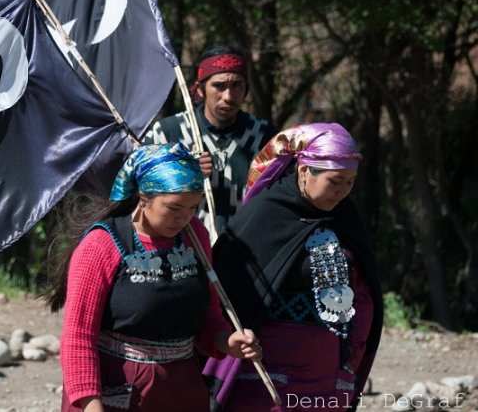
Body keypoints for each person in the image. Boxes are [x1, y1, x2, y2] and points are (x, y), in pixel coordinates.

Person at [43, 143, 261, 412]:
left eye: (193, 207)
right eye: (174, 208)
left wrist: (226, 342)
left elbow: (208, 315)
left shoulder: (195, 236)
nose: (184, 217)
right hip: (116, 391)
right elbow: (78, 336)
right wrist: (91, 404)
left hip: (181, 387)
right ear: (144, 198)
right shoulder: (101, 245)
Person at [202, 123, 383, 411]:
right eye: (335, 181)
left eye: (350, 182)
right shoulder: (265, 215)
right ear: (303, 171)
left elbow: (363, 288)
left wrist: (352, 354)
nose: (342, 191)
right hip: (266, 369)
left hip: (327, 369)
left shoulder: (347, 219)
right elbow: (227, 294)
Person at [144, 44, 277, 234]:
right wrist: (181, 172)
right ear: (200, 89)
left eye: (237, 85)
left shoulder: (265, 136)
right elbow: (134, 184)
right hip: (183, 248)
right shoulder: (168, 132)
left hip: (248, 251)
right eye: (219, 86)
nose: (228, 96)